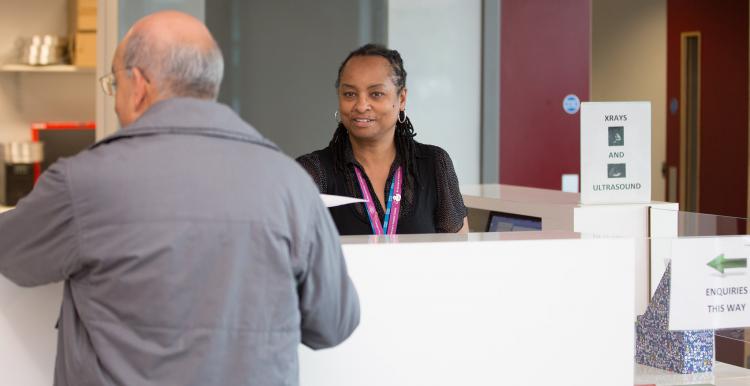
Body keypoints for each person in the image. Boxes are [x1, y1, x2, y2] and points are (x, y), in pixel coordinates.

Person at [0, 11, 359, 386]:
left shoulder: (85, 182)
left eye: (113, 84)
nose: (115, 100)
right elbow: (333, 323)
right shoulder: (292, 184)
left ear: (137, 84)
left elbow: (12, 254)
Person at [297, 44, 468, 236]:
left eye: (376, 94)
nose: (361, 106)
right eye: (349, 94)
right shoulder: (312, 171)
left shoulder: (434, 164)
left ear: (402, 99)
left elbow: (459, 254)